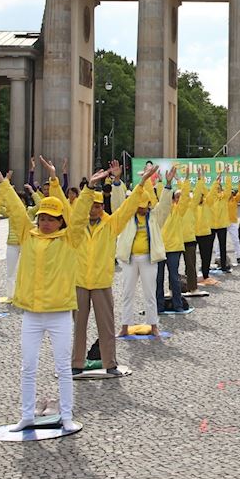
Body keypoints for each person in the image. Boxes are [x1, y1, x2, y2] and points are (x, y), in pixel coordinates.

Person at [0, 160, 99, 434]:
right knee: (27, 367)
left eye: (51, 218)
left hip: (60, 313)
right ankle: (26, 415)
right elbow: (14, 209)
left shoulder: (70, 239)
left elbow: (81, 217)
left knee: (62, 368)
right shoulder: (28, 234)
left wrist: (88, 191)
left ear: (61, 220)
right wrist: (3, 181)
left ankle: (67, 416)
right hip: (32, 314)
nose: (46, 222)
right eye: (43, 218)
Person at [65, 157, 151, 376]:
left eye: (97, 206)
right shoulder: (77, 226)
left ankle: (109, 362)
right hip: (80, 282)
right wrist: (89, 188)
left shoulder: (111, 224)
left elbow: (126, 209)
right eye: (90, 206)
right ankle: (76, 362)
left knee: (106, 325)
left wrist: (141, 186)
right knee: (78, 327)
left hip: (102, 282)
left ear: (102, 206)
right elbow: (75, 217)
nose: (93, 210)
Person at [115, 167, 175, 336]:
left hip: (148, 259)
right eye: (138, 206)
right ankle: (124, 326)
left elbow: (164, 204)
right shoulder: (127, 216)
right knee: (127, 293)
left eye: (143, 206)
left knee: (150, 294)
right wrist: (117, 182)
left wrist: (168, 184)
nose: (140, 209)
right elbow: (119, 203)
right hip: (129, 259)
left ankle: (153, 326)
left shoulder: (155, 216)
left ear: (149, 205)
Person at [157, 172, 192, 312]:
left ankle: (177, 305)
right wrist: (161, 182)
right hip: (159, 248)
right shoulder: (159, 209)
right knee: (158, 279)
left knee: (174, 278)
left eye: (177, 197)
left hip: (174, 249)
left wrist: (182, 181)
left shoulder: (179, 210)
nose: (177, 199)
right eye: (175, 197)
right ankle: (159, 306)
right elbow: (160, 193)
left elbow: (185, 198)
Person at [193, 174, 217, 282]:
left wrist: (216, 182)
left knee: (206, 256)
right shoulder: (191, 205)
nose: (200, 197)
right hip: (193, 234)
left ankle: (205, 275)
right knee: (190, 258)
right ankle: (190, 276)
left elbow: (211, 193)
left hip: (206, 233)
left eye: (202, 196)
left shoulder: (208, 203)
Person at [225, 177, 240, 266]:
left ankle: (238, 257)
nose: (231, 194)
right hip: (223, 222)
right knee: (219, 241)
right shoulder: (222, 200)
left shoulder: (235, 199)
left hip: (233, 222)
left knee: (236, 240)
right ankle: (219, 256)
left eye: (232, 192)